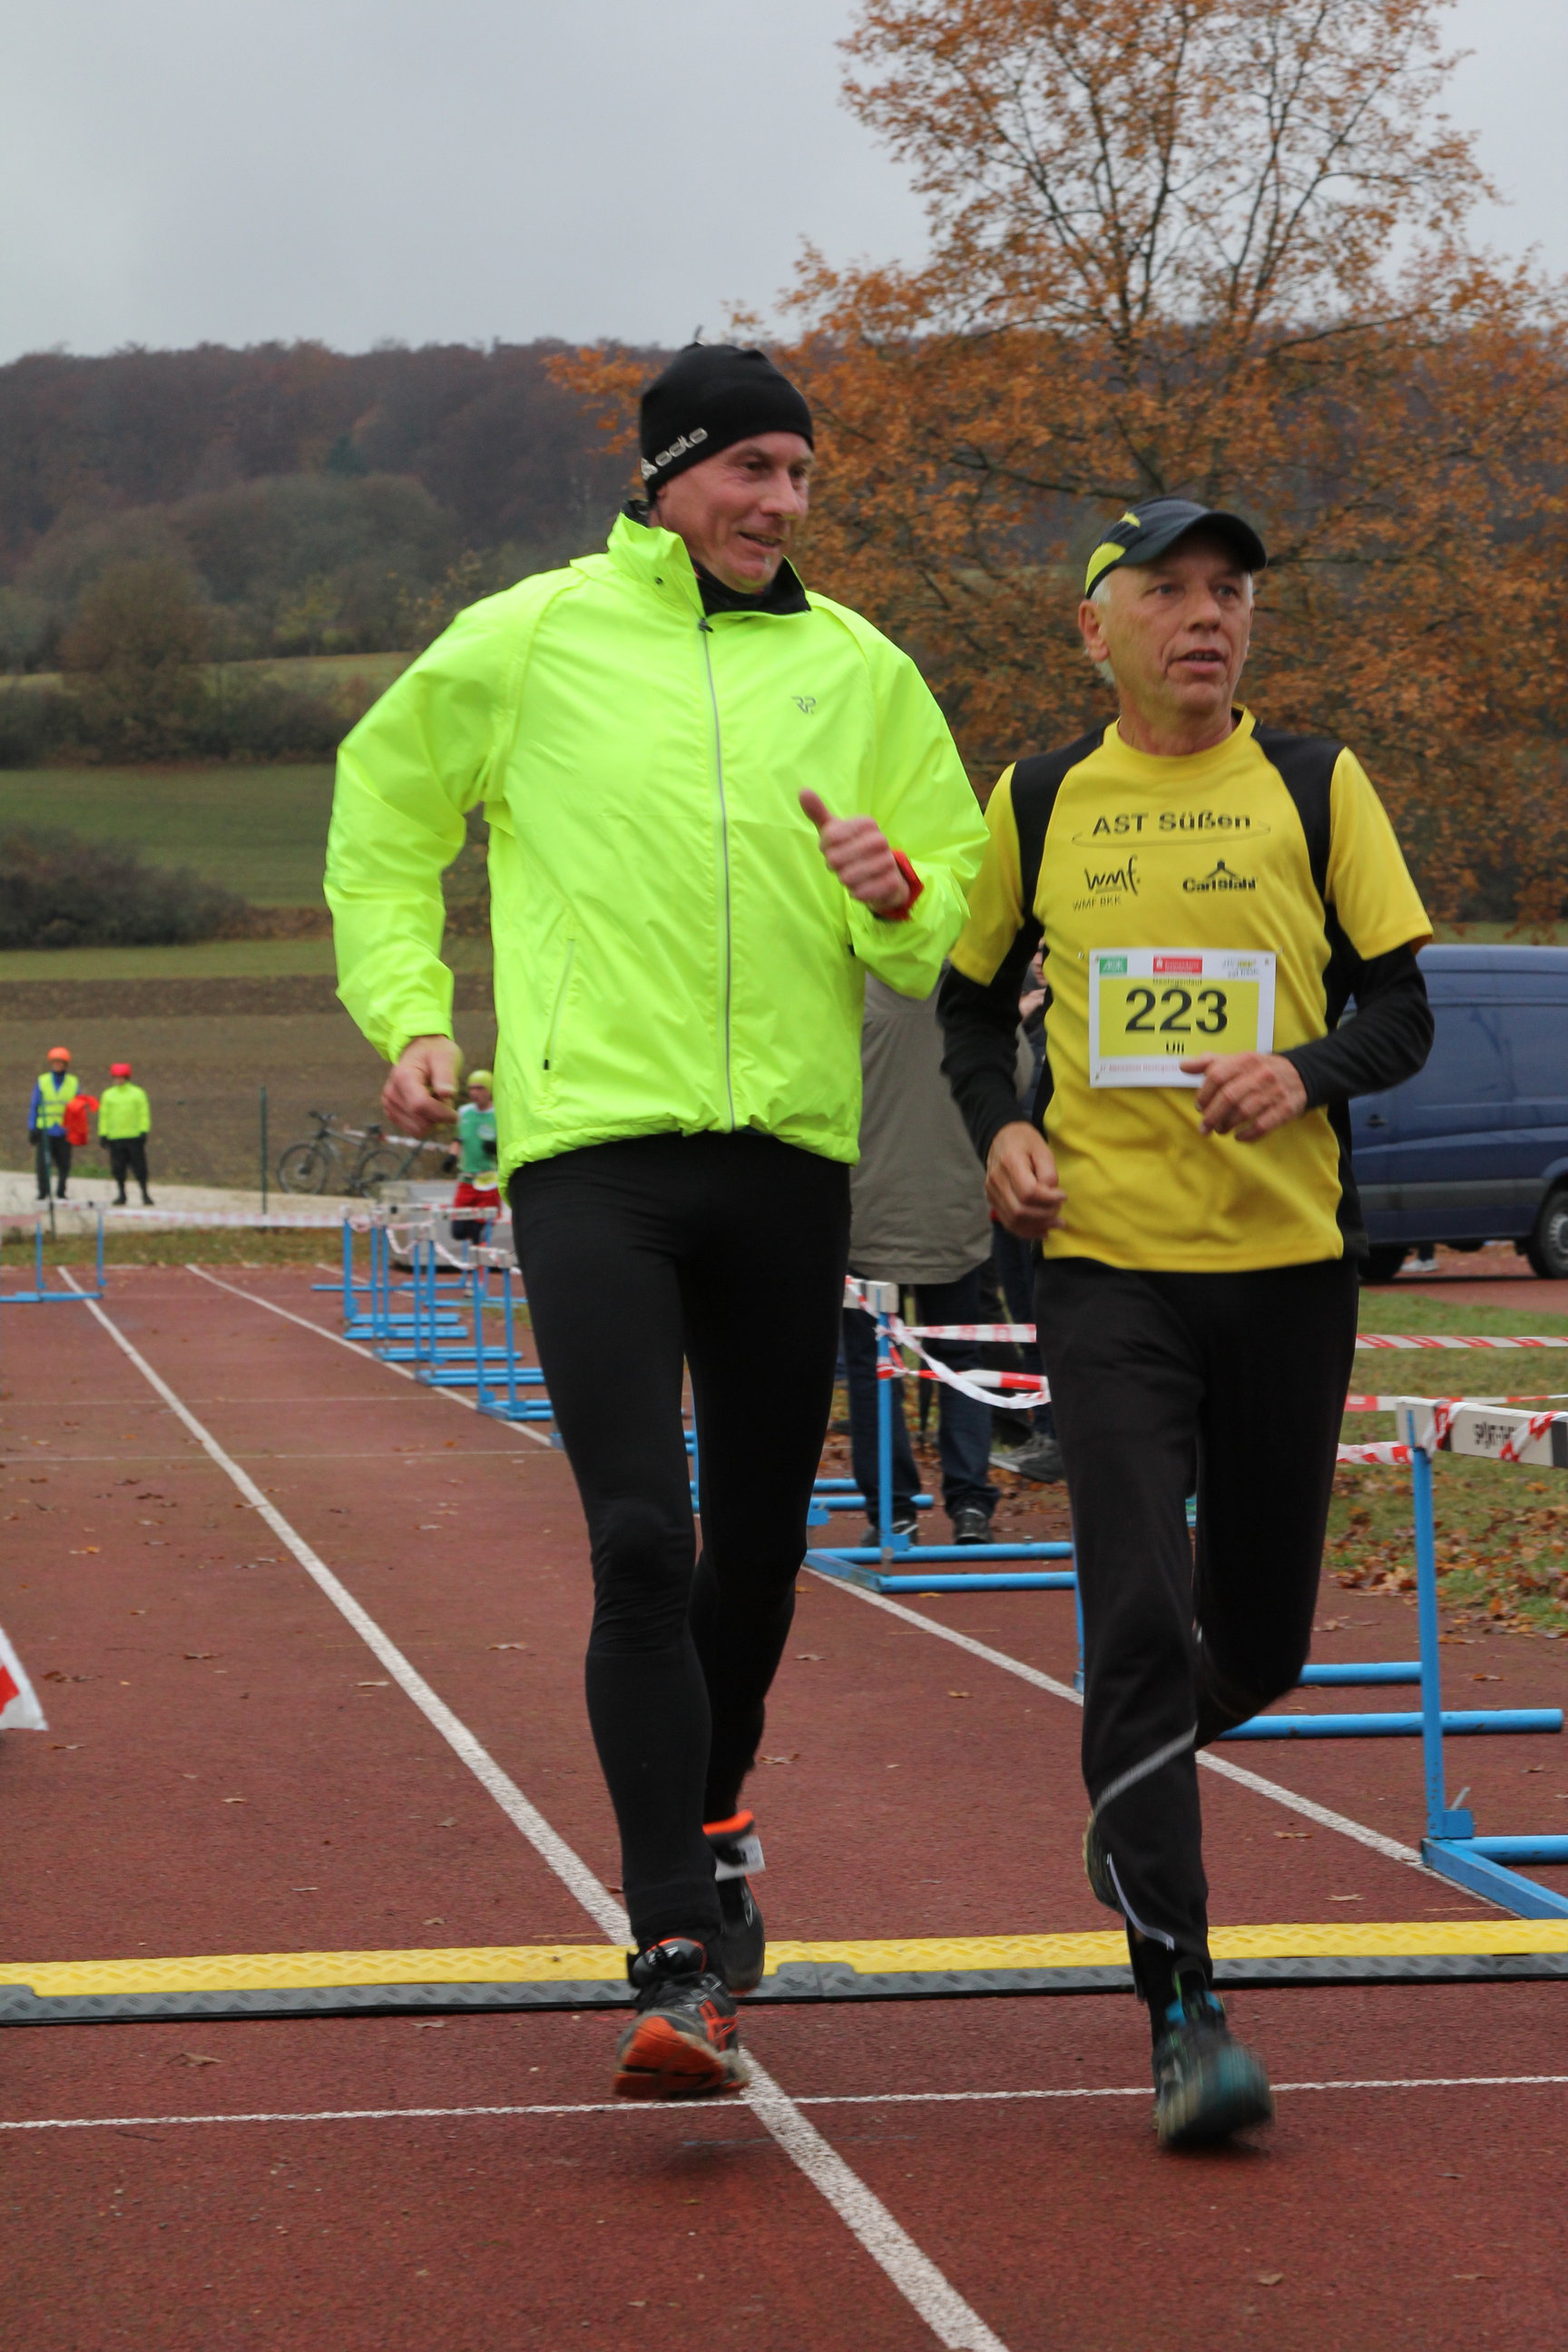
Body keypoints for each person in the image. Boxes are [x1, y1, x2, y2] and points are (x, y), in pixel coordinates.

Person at [326, 342, 988, 2100]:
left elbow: (954, 907)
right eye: (750, 468)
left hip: (784, 1154)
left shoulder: (859, 670)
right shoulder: (528, 639)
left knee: (758, 1547)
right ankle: (676, 1949)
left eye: (800, 475)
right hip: (593, 1155)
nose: (780, 502)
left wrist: (899, 893)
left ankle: (714, 1813)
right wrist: (409, 1008)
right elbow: (383, 819)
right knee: (639, 1538)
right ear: (665, 473)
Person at [938, 496, 1433, 2147]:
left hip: (1287, 1271)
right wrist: (1000, 1128)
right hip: (1109, 1276)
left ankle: (1129, 1776)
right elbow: (963, 1008)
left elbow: (1403, 1006)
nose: (1207, 615)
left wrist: (1304, 1069)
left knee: (1262, 1644)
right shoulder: (1037, 797)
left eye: (1230, 591)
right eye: (1168, 591)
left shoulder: (1316, 782)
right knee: (1139, 1620)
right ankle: (1183, 2015)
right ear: (1097, 629)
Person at [843, 977, 1004, 1546]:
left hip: (867, 1208)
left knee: (872, 1364)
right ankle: (971, 1503)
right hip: (954, 1204)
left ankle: (890, 1511)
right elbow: (1015, 1076)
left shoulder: (850, 992)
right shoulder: (973, 993)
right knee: (959, 1357)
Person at [451, 1067, 500, 1241]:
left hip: (488, 1180)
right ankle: (474, 1246)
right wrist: (452, 1156)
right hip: (467, 1179)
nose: (474, 1092)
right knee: (458, 1232)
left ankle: (478, 1253)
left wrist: (497, 1148)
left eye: (480, 1088)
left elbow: (508, 1146)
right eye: (471, 1088)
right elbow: (458, 1139)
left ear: (489, 1090)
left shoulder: (499, 1114)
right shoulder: (464, 1112)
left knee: (479, 1232)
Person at [99, 1063, 153, 1205]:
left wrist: (143, 1130)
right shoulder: (108, 1095)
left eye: (121, 1077)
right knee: (118, 1168)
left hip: (134, 1137)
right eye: (116, 1077)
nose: (119, 1079)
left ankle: (145, 1194)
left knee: (140, 1168)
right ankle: (121, 1194)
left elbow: (143, 1113)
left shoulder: (138, 1093)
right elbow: (104, 1115)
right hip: (115, 1138)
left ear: (127, 1077)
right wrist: (103, 1133)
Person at [28, 1046, 77, 1201]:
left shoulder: (73, 1082)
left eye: (60, 1062)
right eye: (55, 1062)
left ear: (65, 1064)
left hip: (65, 1130)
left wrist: (77, 1129)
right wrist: (32, 1127)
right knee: (43, 1164)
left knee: (64, 1164)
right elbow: (34, 1105)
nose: (57, 1065)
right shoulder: (42, 1081)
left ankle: (61, 1192)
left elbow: (78, 1108)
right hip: (45, 1129)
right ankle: (43, 1192)